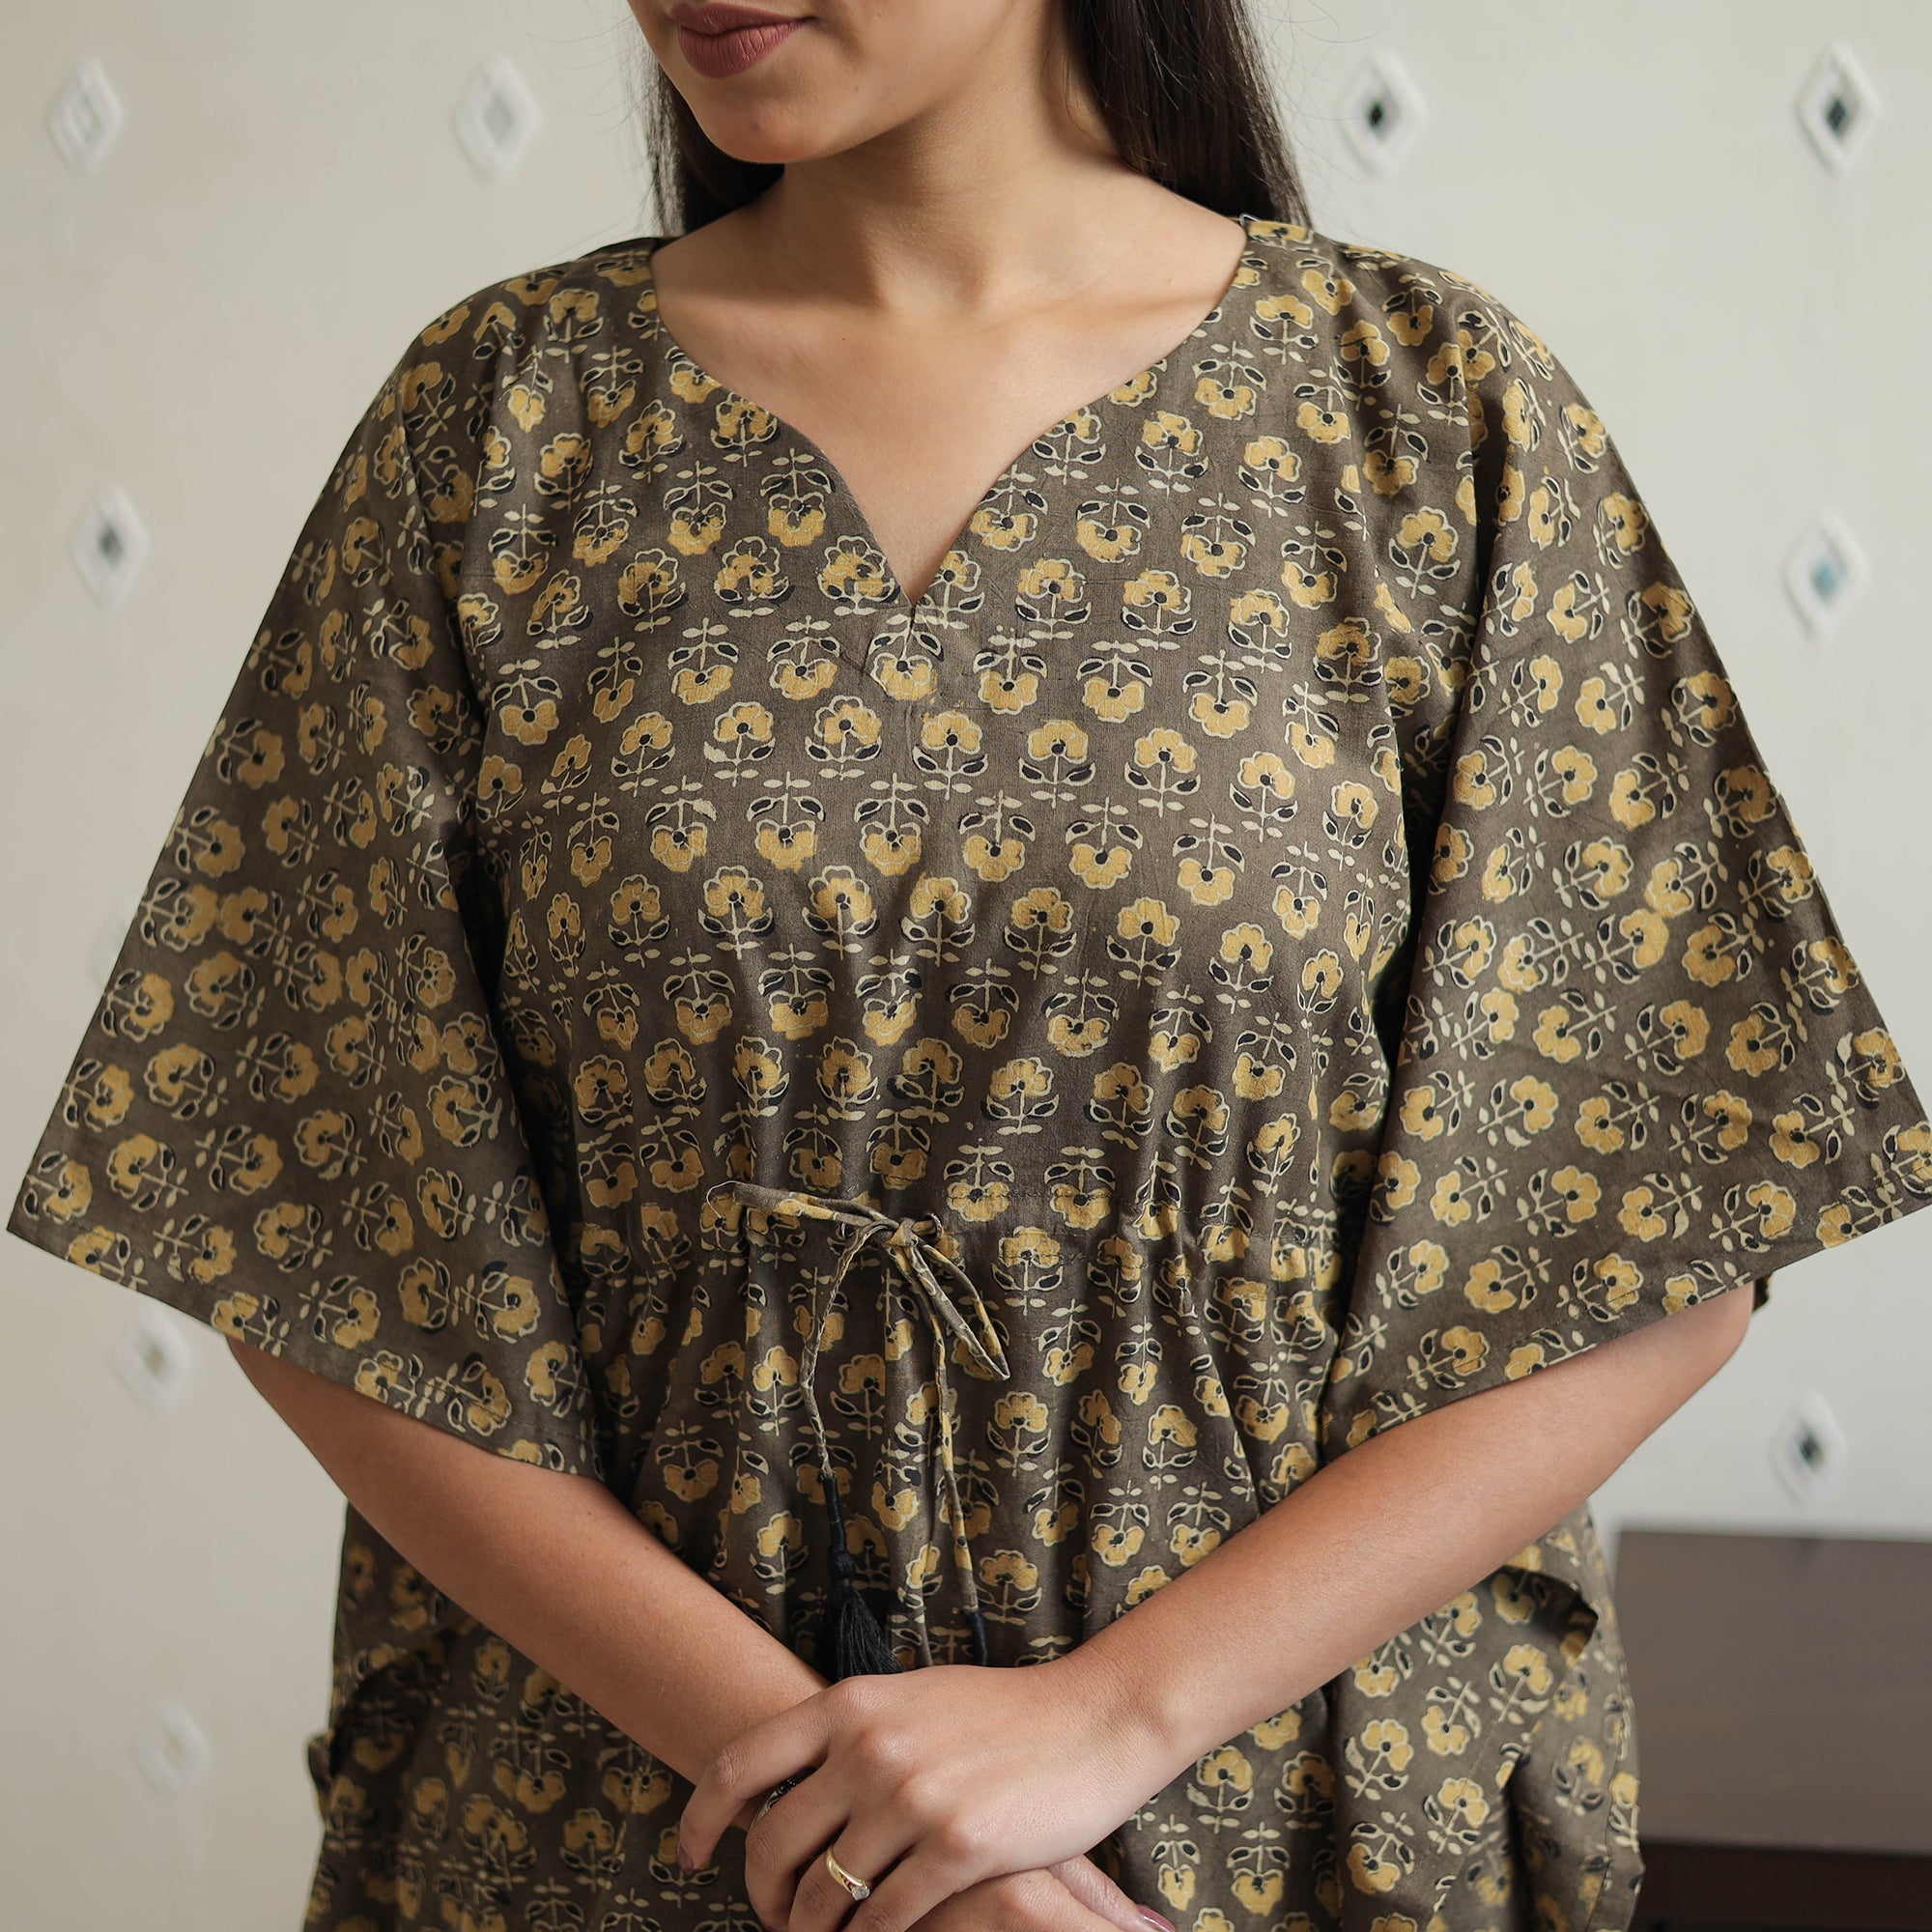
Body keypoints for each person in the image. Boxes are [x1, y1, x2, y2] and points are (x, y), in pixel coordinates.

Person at [11, 2, 1930, 1928]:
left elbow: (1650, 1231)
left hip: (1266, 1819)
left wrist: (1097, 1726)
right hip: (625, 1815)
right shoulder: (498, 422)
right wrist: (861, 1819)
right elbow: (314, 1226)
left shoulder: (1424, 415)